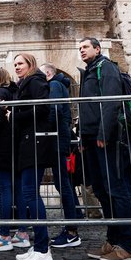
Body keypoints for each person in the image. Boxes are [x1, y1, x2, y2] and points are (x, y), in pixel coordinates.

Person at [78, 37, 131, 260]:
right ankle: (113, 241)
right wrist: (84, 137)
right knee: (103, 190)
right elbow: (87, 108)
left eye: (86, 47)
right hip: (92, 139)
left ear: (97, 48)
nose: (82, 50)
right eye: (80, 48)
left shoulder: (107, 67)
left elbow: (111, 102)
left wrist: (104, 133)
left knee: (117, 189)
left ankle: (128, 246)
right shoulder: (89, 71)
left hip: (109, 138)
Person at [11, 53, 56, 260]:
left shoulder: (36, 81)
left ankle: (42, 250)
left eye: (20, 63)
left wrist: (14, 116)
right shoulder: (27, 82)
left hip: (35, 143)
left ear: (30, 65)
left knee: (30, 194)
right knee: (29, 193)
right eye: (15, 64)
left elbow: (43, 108)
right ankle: (39, 246)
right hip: (29, 142)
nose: (16, 66)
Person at [0, 68, 29, 252]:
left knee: (6, 191)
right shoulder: (15, 92)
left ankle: (4, 235)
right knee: (18, 191)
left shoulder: (0, 93)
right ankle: (22, 233)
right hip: (16, 146)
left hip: (2, 147)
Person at [39, 62, 82, 248]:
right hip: (59, 136)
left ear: (48, 73)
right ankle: (75, 219)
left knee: (63, 184)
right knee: (63, 183)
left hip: (57, 138)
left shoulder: (55, 85)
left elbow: (54, 110)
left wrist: (45, 128)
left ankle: (72, 231)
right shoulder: (58, 85)